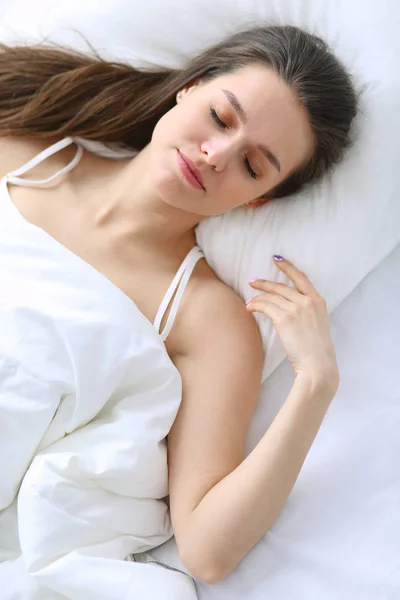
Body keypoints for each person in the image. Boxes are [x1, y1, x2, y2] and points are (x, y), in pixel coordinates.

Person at [0, 24, 357, 593]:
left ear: (258, 199)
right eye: (221, 118)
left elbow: (207, 551)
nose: (216, 154)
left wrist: (316, 383)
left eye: (253, 165)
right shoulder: (18, 144)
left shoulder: (206, 320)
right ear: (189, 90)